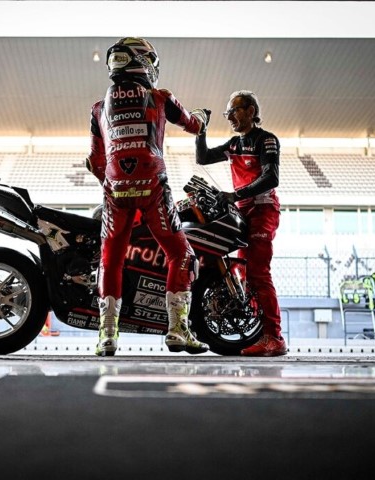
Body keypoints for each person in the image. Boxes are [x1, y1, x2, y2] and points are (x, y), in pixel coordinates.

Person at [85, 37, 210, 357]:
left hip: (116, 193)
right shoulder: (160, 96)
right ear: (145, 62)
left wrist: (113, 184)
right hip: (154, 187)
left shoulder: (98, 109)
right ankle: (177, 329)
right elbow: (193, 125)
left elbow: (95, 162)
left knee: (110, 259)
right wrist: (202, 117)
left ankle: (107, 336)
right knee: (181, 255)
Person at [194, 90, 287, 357]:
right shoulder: (234, 144)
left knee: (258, 273)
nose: (230, 117)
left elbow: (271, 178)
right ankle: (261, 335)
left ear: (250, 110)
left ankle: (274, 337)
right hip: (242, 212)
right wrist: (201, 131)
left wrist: (236, 195)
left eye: (234, 111)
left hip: (262, 210)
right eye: (228, 113)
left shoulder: (266, 140)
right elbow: (203, 158)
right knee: (245, 278)